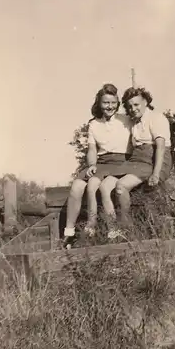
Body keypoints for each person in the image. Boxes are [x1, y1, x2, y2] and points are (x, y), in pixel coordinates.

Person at [61, 83, 132, 249]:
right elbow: (92, 149)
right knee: (77, 186)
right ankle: (69, 233)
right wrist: (92, 164)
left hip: (121, 162)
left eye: (113, 102)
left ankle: (92, 227)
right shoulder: (94, 124)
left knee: (93, 184)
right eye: (106, 103)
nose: (110, 106)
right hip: (101, 163)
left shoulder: (126, 120)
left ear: (118, 103)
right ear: (99, 103)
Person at [99, 86, 172, 233]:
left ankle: (126, 227)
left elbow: (161, 148)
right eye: (130, 106)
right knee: (105, 185)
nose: (133, 109)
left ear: (145, 102)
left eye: (136, 104)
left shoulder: (156, 118)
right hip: (136, 160)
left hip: (154, 158)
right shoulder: (134, 122)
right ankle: (113, 230)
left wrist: (156, 173)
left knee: (121, 186)